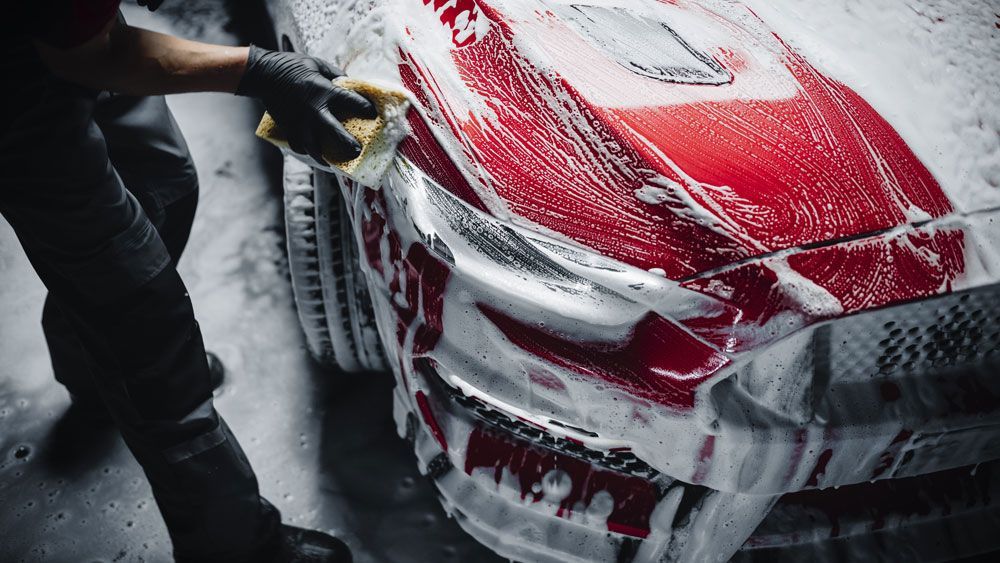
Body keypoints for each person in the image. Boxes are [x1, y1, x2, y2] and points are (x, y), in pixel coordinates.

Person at [0, 1, 375, 561]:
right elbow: (96, 58)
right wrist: (257, 70)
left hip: (65, 32)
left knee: (162, 177)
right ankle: (235, 546)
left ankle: (96, 375)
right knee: (143, 328)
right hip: (16, 93)